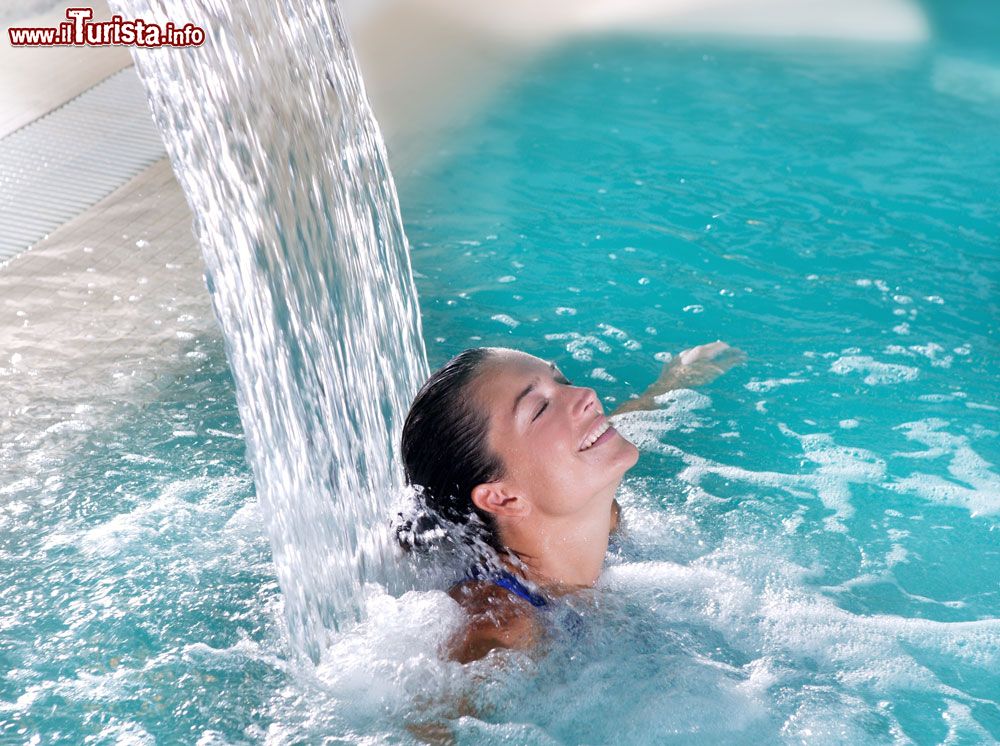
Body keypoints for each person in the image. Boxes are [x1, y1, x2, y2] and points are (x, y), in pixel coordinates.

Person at [397, 341, 744, 664]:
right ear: (502, 497)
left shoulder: (601, 515)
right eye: (541, 408)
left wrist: (672, 382)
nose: (586, 395)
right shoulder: (501, 626)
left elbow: (601, 430)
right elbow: (431, 721)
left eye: (561, 380)